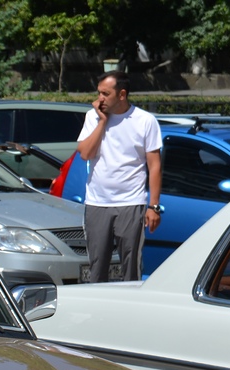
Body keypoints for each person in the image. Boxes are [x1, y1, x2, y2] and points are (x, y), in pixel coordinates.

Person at [75, 70, 163, 282]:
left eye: (105, 94)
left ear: (121, 95)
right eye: (99, 93)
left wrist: (153, 206)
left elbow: (155, 166)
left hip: (131, 203)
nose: (99, 99)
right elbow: (85, 153)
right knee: (97, 267)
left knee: (131, 267)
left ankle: (130, 311)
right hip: (97, 202)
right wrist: (102, 122)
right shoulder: (92, 117)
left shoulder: (145, 121)